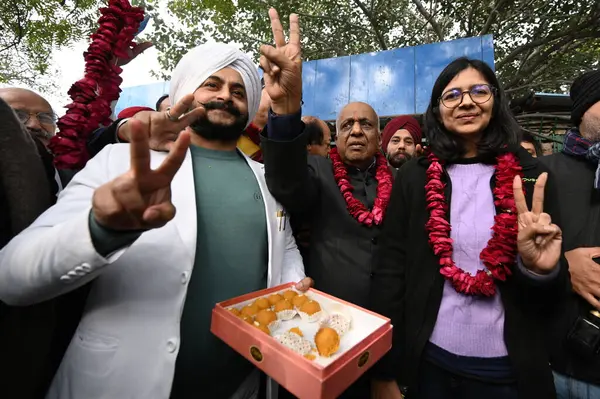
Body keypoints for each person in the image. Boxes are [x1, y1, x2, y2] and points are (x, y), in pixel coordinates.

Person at [0, 42, 310, 399]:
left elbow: (283, 248)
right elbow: (12, 278)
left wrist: (293, 284)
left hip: (241, 388)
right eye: (212, 84)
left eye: (239, 90)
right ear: (183, 92)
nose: (226, 95)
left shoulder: (265, 177)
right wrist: (102, 230)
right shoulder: (122, 161)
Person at [370, 57, 565, 399]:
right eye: (452, 95)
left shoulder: (531, 176)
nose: (466, 102)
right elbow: (390, 271)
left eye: (479, 91)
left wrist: (540, 272)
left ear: (496, 100)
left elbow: (553, 293)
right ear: (437, 109)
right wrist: (385, 371)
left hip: (508, 373)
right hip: (429, 365)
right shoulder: (416, 177)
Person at [259, 9, 393, 397]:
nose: (355, 130)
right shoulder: (316, 171)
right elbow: (286, 183)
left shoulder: (404, 182)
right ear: (334, 135)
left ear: (379, 135)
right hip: (322, 333)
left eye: (365, 124)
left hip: (386, 335)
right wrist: (285, 111)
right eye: (346, 125)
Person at [540, 69, 600, 398]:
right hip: (550, 367)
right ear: (582, 110)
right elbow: (508, 256)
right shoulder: (543, 173)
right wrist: (563, 268)